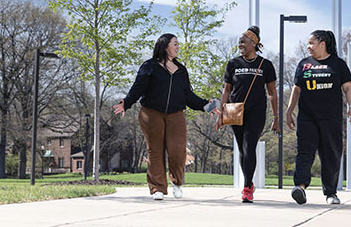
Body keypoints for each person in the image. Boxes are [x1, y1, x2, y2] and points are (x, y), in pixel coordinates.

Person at [113, 33, 218, 200]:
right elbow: (138, 88)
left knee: (177, 150)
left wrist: (206, 105)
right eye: (175, 44)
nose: (178, 47)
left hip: (175, 114)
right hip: (151, 113)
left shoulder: (181, 70)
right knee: (155, 151)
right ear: (165, 46)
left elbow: (188, 95)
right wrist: (126, 102)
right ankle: (157, 188)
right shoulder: (149, 66)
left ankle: (176, 182)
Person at [285, 30, 351, 205]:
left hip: (330, 118)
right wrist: (289, 112)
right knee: (304, 152)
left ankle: (331, 193)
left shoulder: (338, 64)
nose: (308, 47)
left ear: (323, 43)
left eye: (311, 43)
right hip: (307, 117)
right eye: (308, 43)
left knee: (331, 154)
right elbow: (296, 89)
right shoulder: (304, 64)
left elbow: (347, 87)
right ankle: (300, 187)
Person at [216, 26, 279, 203]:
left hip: (257, 111)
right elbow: (227, 90)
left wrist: (276, 118)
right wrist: (222, 114)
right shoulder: (233, 64)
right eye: (240, 42)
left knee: (249, 146)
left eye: (244, 41)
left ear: (254, 43)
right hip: (234, 110)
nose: (240, 44)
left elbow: (272, 92)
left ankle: (246, 188)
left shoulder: (265, 65)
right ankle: (249, 184)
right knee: (242, 150)